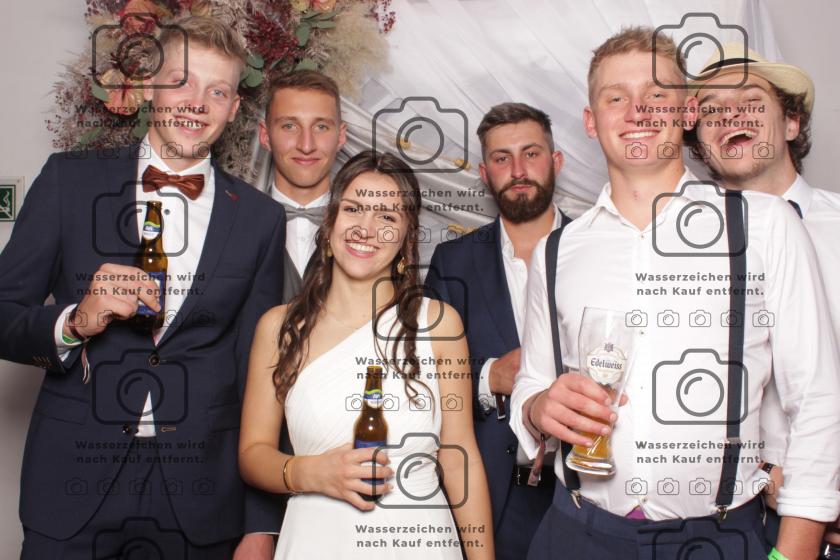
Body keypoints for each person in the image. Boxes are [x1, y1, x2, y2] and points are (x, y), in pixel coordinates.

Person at [510, 27, 840, 560]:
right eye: (616, 98)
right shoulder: (556, 250)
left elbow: (818, 398)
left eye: (656, 94)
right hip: (576, 531)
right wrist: (537, 407)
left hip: (719, 537)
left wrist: (795, 552)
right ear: (591, 121)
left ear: (686, 112)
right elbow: (532, 382)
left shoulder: (765, 224)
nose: (637, 110)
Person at [0, 16, 284, 559]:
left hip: (201, 497)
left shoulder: (259, 219)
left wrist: (260, 524)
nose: (197, 102)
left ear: (233, 109)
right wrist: (74, 322)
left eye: (217, 91)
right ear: (149, 86)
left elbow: (262, 376)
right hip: (72, 484)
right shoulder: (68, 181)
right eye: (181, 81)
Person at [239, 150, 495, 559]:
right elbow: (253, 454)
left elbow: (459, 457)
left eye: (387, 216)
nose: (366, 228)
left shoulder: (440, 324)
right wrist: (310, 472)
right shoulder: (279, 327)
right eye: (354, 209)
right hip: (315, 542)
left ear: (407, 238)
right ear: (330, 222)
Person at [687, 45, 840, 553]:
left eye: (751, 101)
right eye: (711, 110)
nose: (731, 116)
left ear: (791, 124)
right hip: (735, 521)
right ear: (700, 145)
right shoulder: (678, 251)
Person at [425, 102, 568, 558]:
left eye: (532, 154)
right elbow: (421, 377)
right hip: (488, 498)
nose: (519, 170)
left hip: (585, 495)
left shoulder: (600, 250)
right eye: (503, 158)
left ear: (556, 161)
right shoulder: (452, 262)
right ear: (485, 174)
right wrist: (489, 376)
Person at [259, 70, 347, 303]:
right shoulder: (235, 224)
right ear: (265, 136)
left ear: (341, 136)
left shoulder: (366, 228)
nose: (306, 146)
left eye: (321, 127)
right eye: (289, 126)